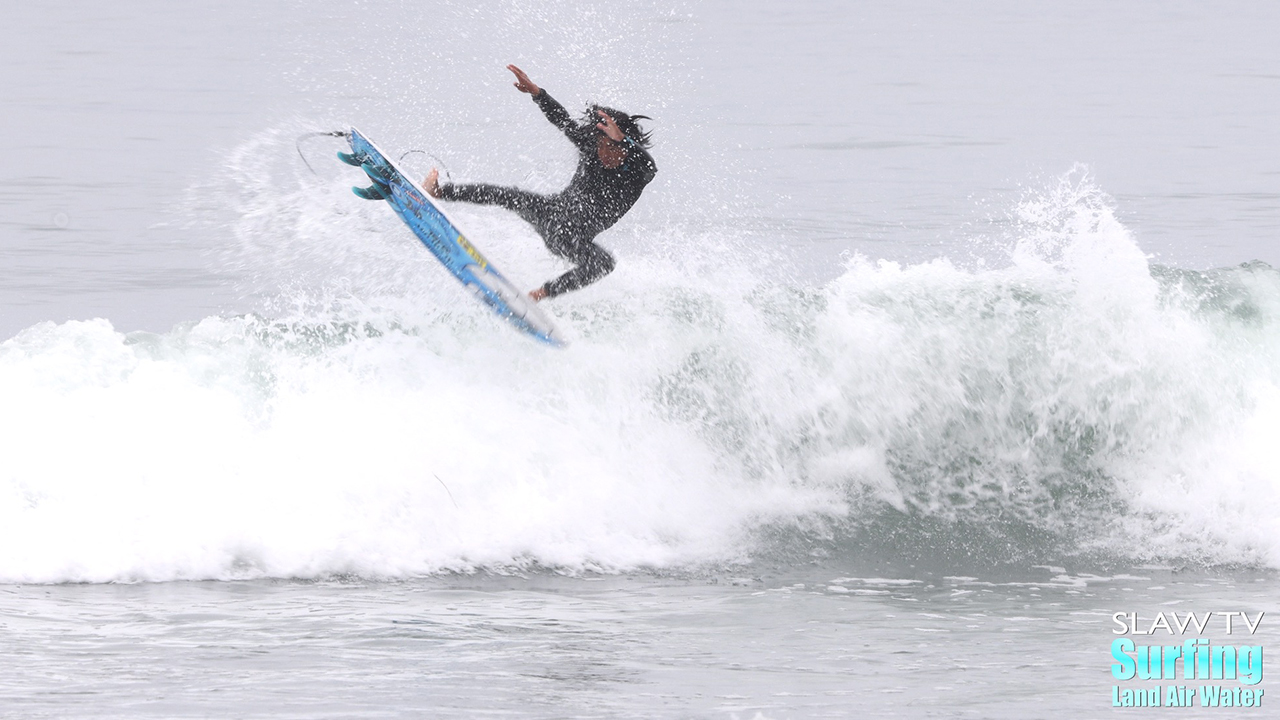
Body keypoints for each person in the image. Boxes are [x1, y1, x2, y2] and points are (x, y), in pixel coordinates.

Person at [424, 64, 657, 302]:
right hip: (550, 211)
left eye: (612, 147)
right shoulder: (591, 149)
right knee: (508, 195)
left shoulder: (638, 173)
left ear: (626, 146)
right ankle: (440, 191)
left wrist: (623, 139)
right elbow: (563, 121)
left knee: (604, 263)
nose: (604, 154)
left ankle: (541, 293)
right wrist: (537, 93)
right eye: (601, 146)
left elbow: (649, 164)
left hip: (572, 237)